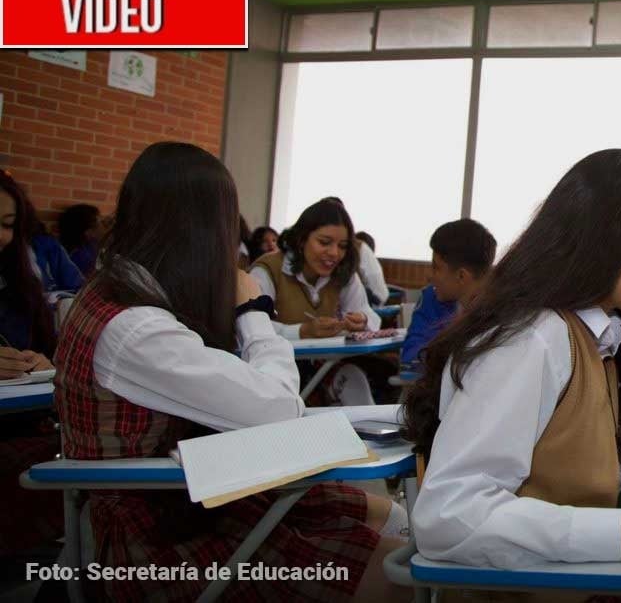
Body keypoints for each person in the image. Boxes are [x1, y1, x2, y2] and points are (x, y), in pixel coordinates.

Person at [53, 142, 409, 601]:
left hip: (190, 489)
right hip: (159, 528)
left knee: (387, 516)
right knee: (403, 570)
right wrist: (252, 311)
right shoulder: (137, 327)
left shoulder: (123, 290)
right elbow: (279, 408)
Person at [405, 149, 621, 581]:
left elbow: (556, 459)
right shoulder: (533, 337)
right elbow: (448, 515)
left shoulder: (595, 331)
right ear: (599, 240)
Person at [0, 170, 62, 557]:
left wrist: (42, 361)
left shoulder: (19, 284)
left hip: (22, 424)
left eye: (6, 225)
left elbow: (48, 350)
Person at [250, 200, 380, 340]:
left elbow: (369, 314)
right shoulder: (267, 270)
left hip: (329, 361)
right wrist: (301, 331)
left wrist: (363, 320)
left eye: (342, 246)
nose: (334, 253)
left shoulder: (343, 270)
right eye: (324, 242)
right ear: (301, 239)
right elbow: (250, 326)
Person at [400, 219, 496, 366]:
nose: (429, 275)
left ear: (461, 276)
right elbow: (410, 354)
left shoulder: (501, 310)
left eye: (436, 267)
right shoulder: (430, 299)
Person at [57, 203, 102, 276]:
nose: (102, 226)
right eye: (100, 223)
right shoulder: (81, 256)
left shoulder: (92, 245)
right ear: (88, 232)